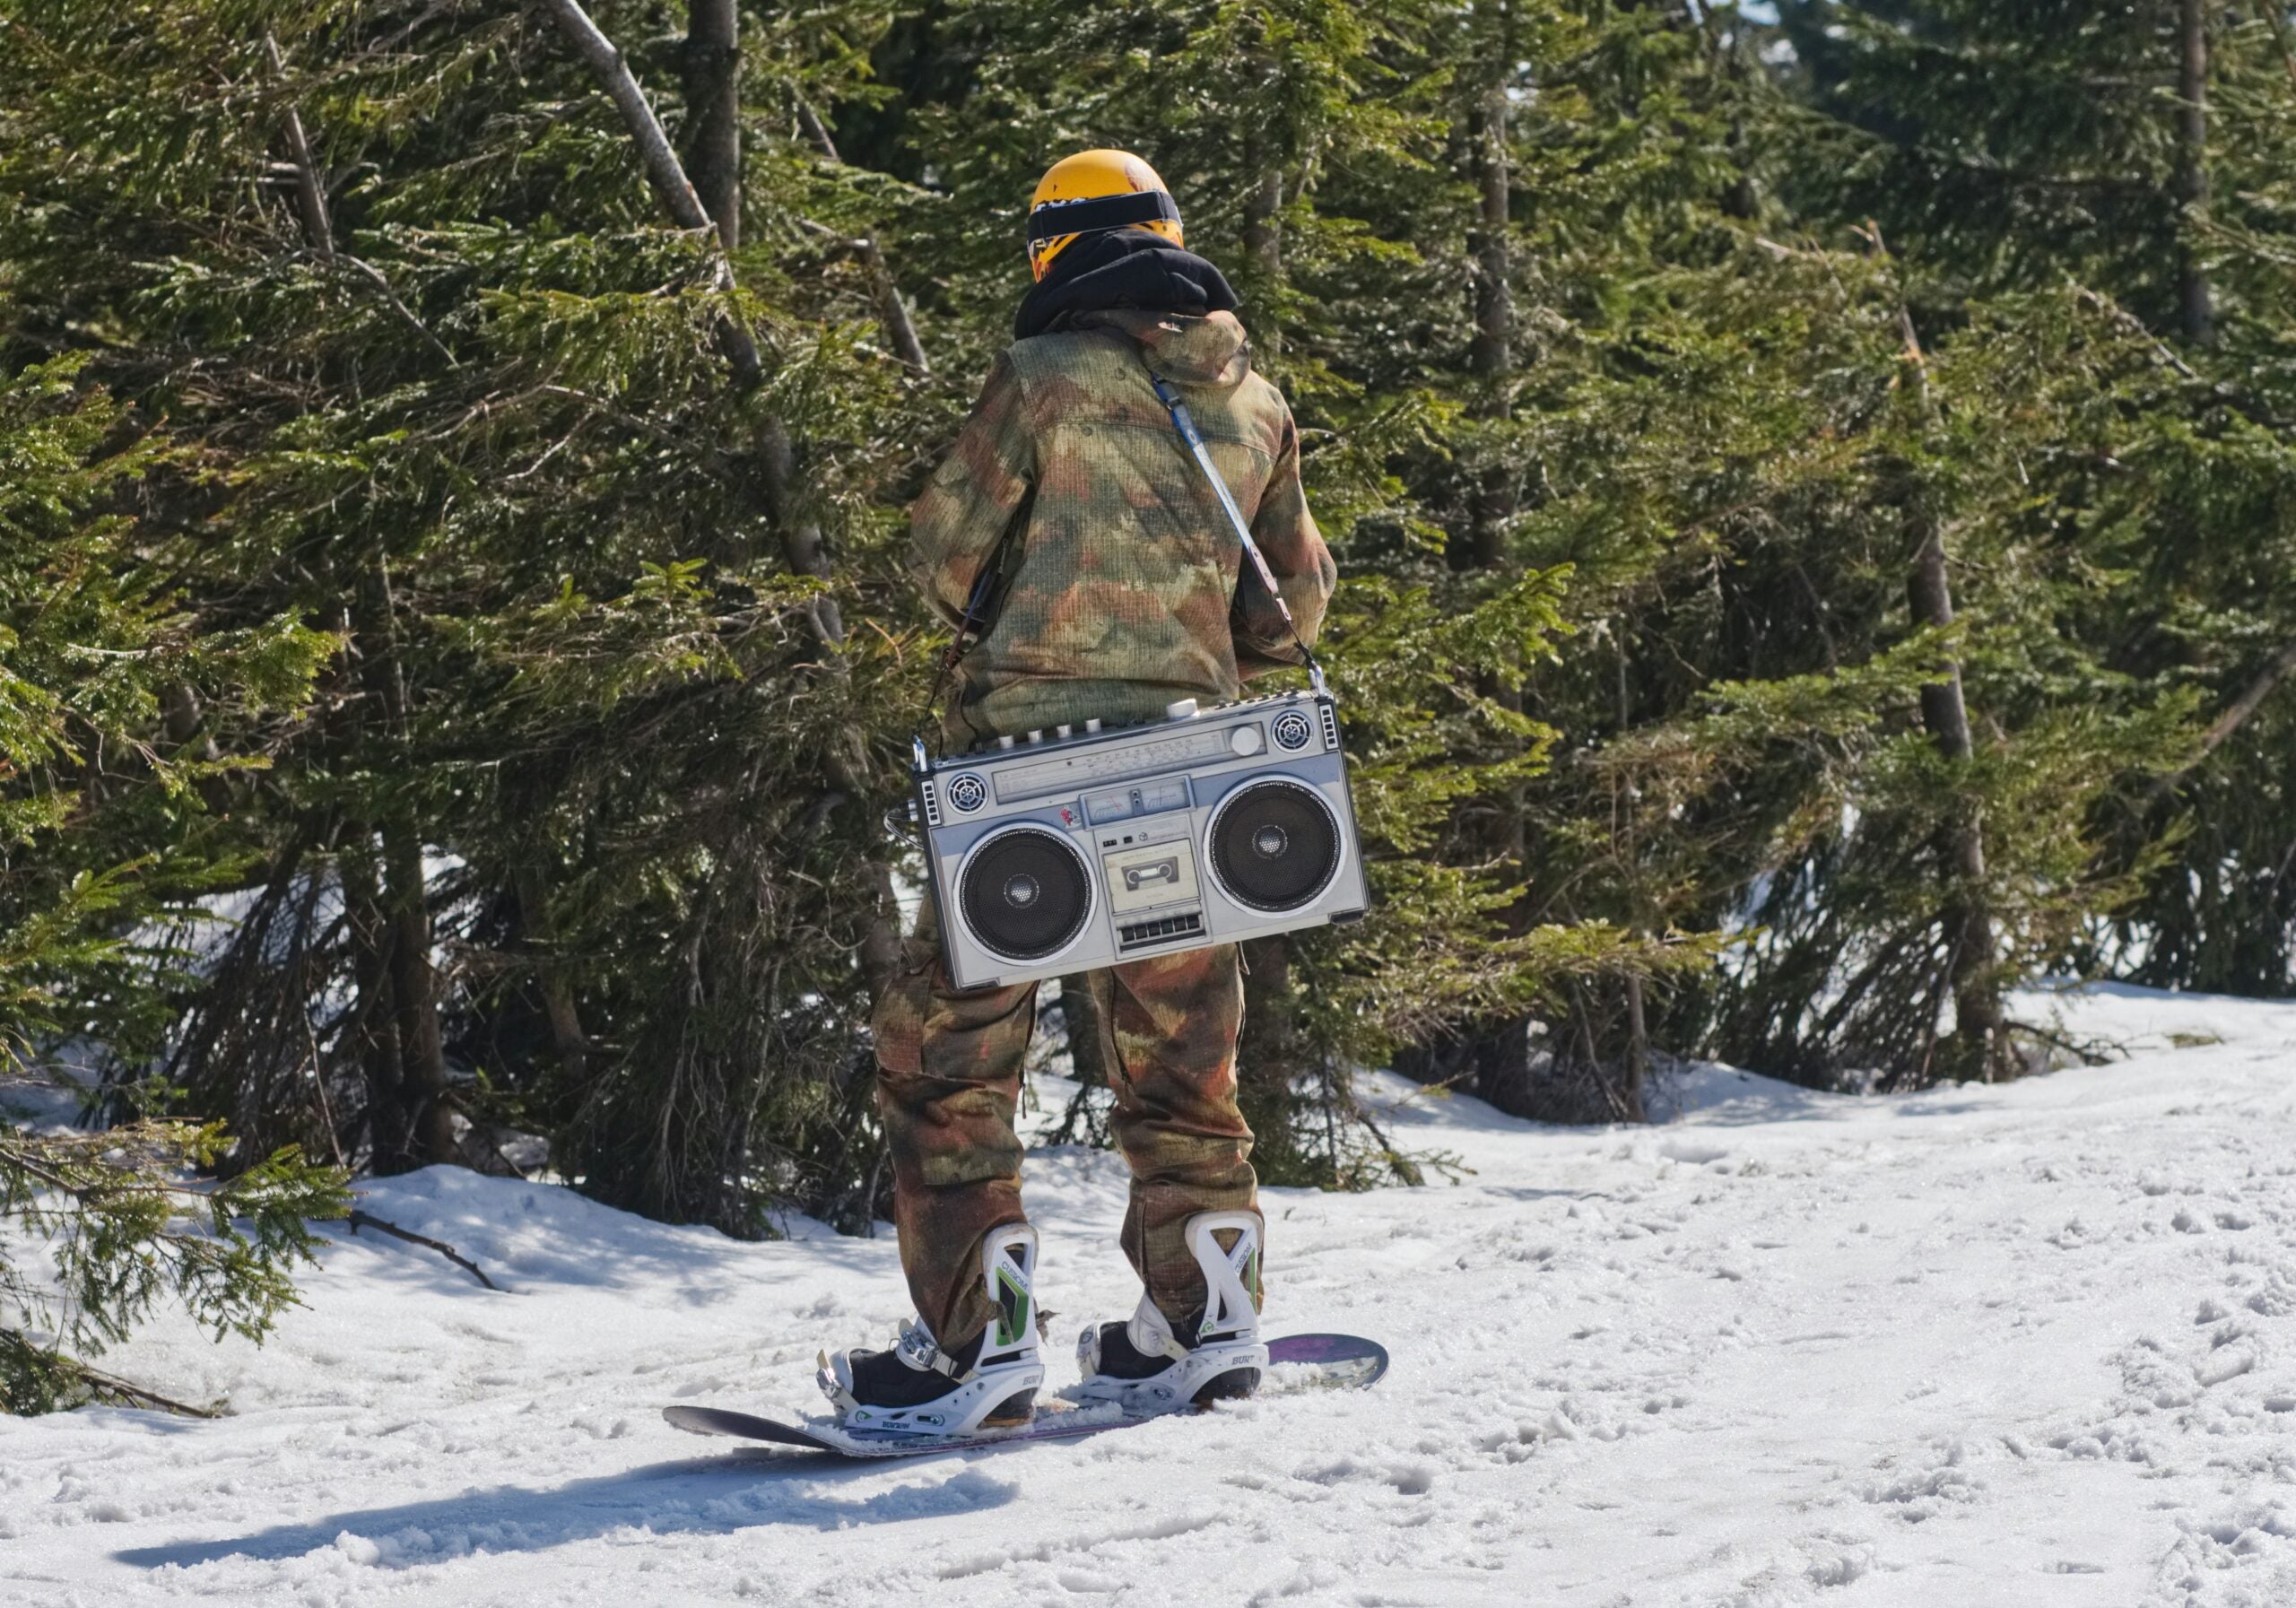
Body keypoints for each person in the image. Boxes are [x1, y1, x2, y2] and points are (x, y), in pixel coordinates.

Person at [820, 149, 1337, 1436]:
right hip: (1187, 780)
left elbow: (944, 561)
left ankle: (975, 1343)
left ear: (1052, 254)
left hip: (1023, 791)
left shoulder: (1041, 380)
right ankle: (1204, 1315)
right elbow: (1297, 608)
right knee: (1183, 1070)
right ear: (1170, 233)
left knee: (952, 1067)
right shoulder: (1256, 401)